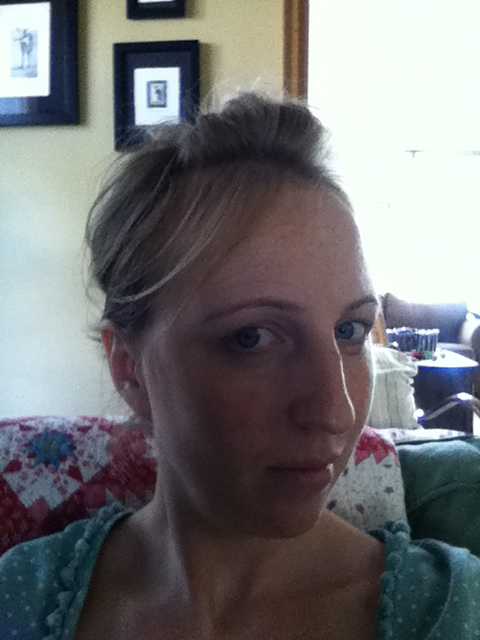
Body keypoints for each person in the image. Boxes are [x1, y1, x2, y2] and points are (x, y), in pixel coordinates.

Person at [1, 92, 480, 640]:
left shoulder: (452, 611)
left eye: (350, 331)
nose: (337, 411)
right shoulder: (22, 598)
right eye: (251, 338)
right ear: (129, 367)